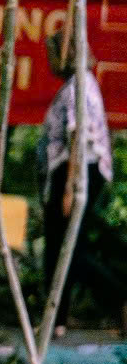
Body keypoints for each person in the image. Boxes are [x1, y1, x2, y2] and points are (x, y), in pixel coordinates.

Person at [39, 30, 114, 332]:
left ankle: (117, 293)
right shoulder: (75, 86)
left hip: (79, 170)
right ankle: (57, 318)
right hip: (76, 171)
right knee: (62, 247)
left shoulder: (79, 89)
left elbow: (77, 136)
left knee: (67, 248)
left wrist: (70, 186)